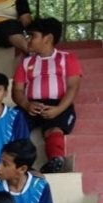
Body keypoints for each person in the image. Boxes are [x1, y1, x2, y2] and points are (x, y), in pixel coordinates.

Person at [12, 17, 82, 174]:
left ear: (47, 38)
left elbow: (73, 87)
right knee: (16, 124)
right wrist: (26, 105)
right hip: (31, 105)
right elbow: (17, 90)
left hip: (58, 104)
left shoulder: (67, 58)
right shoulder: (26, 62)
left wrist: (59, 109)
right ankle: (20, 163)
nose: (28, 39)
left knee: (54, 129)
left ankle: (56, 160)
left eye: (32, 35)